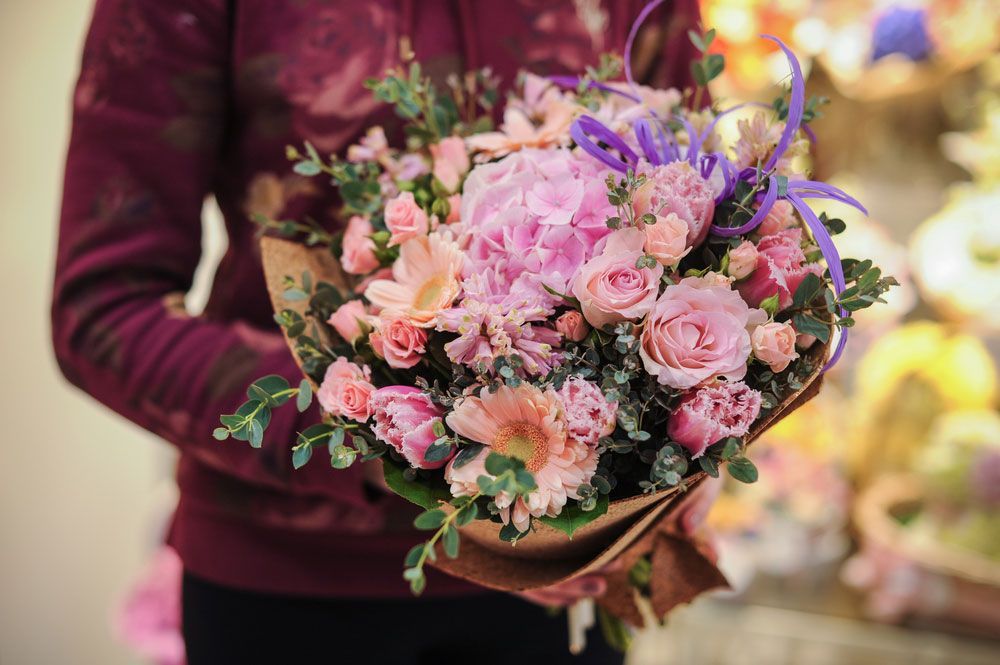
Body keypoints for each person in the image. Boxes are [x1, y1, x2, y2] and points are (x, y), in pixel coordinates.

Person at [51, 1, 702, 662]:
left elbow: (699, 220)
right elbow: (102, 310)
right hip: (291, 588)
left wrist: (671, 453)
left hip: (565, 583)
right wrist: (400, 431)